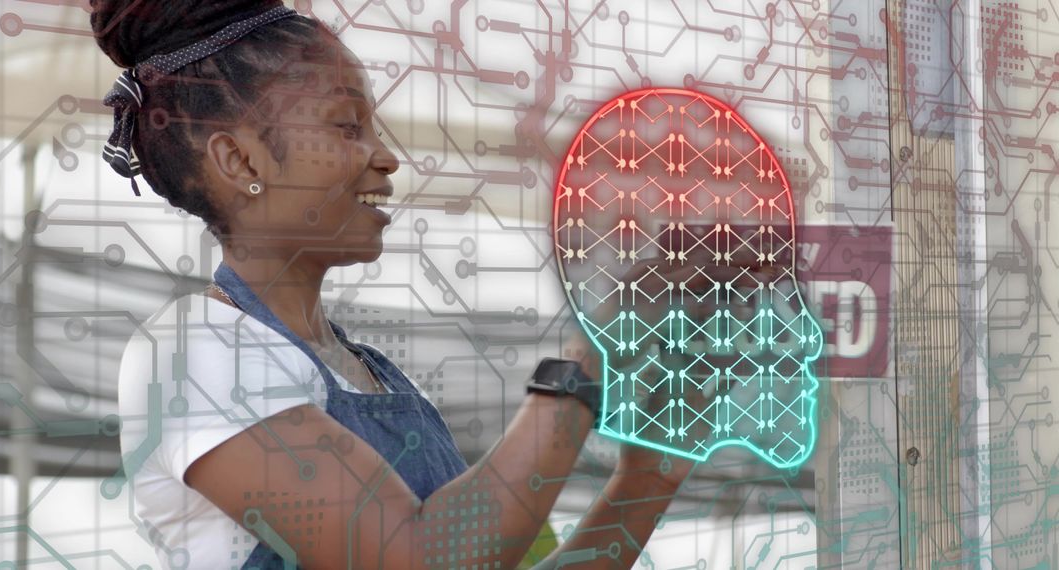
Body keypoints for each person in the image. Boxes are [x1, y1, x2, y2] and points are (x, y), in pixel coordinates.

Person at [94, 2, 740, 568]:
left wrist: (648, 479)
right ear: (240, 161)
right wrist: (587, 360)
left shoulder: (374, 378)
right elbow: (419, 557)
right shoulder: (191, 354)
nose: (385, 155)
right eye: (346, 126)